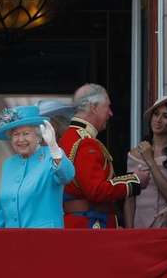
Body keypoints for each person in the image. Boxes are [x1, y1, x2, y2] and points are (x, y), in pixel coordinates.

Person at [59, 83, 148, 228]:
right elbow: (96, 190)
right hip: (90, 226)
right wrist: (135, 181)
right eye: (107, 106)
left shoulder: (67, 138)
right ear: (93, 107)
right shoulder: (85, 143)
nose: (110, 113)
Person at [0, 106, 74, 228]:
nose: (20, 139)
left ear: (38, 136)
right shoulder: (9, 164)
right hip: (12, 240)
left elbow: (67, 176)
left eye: (26, 133)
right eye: (16, 134)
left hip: (44, 239)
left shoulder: (51, 155)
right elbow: (2, 207)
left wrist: (54, 147)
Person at [124, 94, 167, 228]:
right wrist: (129, 232)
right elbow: (129, 199)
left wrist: (150, 161)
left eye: (166, 116)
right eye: (156, 114)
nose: (158, 120)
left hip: (165, 226)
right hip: (138, 226)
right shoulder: (135, 153)